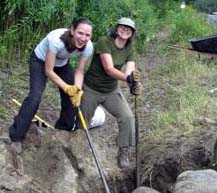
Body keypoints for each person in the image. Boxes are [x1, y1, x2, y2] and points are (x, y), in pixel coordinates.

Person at [9, 18, 93, 151]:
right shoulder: (56, 40)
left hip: (62, 64)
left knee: (74, 99)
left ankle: (62, 130)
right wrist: (66, 87)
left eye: (87, 35)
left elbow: (80, 71)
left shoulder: (88, 47)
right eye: (80, 33)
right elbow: (48, 71)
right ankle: (16, 136)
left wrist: (76, 89)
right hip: (40, 61)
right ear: (72, 30)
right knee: (35, 97)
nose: (83, 38)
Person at [80, 17, 142, 168]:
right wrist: (128, 79)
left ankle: (123, 150)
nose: (125, 30)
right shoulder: (104, 42)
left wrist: (134, 83)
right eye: (122, 27)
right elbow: (109, 69)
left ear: (132, 33)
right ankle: (81, 149)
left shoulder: (130, 48)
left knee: (127, 117)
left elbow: (129, 70)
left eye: (129, 29)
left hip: (111, 90)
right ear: (116, 28)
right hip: (91, 88)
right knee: (82, 122)